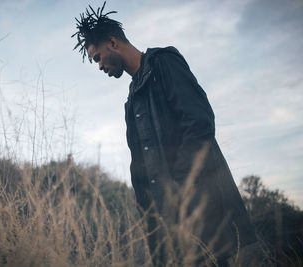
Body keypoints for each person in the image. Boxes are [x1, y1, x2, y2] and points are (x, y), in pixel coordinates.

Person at [72, 2, 261, 266]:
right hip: (166, 229)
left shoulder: (164, 63)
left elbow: (199, 123)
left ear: (113, 42)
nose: (99, 66)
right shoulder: (132, 99)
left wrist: (179, 189)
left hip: (198, 214)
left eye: (97, 57)